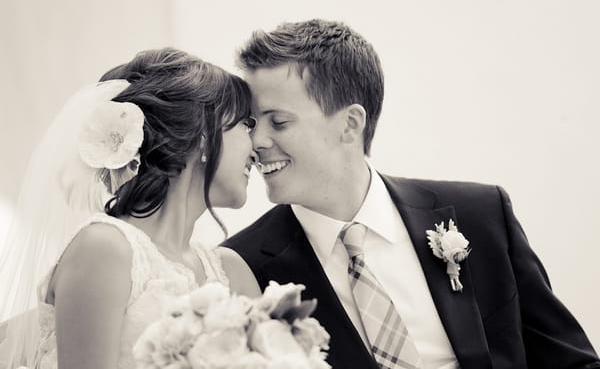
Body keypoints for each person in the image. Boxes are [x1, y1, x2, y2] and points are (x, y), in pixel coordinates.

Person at [221, 19, 600, 369]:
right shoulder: (244, 267)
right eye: (252, 123)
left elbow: (571, 362)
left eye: (279, 122)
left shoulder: (481, 215)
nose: (256, 141)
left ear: (350, 124)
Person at [0, 47, 260, 369]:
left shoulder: (233, 272)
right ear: (205, 136)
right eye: (246, 125)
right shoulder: (105, 249)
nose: (257, 148)